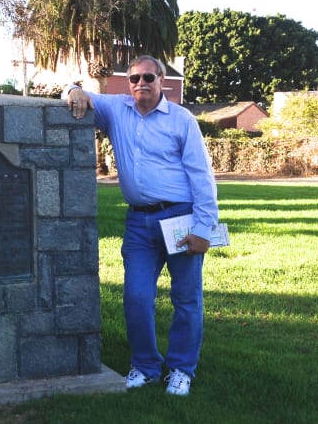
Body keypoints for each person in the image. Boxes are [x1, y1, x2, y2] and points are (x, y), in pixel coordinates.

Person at [64, 55, 218, 396]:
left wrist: (204, 228)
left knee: (186, 298)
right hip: (138, 222)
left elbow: (201, 175)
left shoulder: (182, 120)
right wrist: (73, 89)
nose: (141, 84)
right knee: (136, 296)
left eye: (148, 77)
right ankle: (146, 366)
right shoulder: (116, 109)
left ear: (162, 79)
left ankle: (181, 369)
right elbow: (76, 93)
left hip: (180, 217)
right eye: (134, 79)